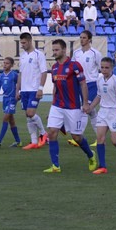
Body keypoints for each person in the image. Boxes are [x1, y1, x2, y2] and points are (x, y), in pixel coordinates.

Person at [40, 39, 97, 173]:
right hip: (57, 106)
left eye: (57, 50)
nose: (54, 52)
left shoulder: (75, 66)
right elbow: (55, 87)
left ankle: (91, 155)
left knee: (76, 137)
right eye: (53, 50)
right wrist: (52, 106)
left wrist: (85, 103)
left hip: (72, 106)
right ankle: (55, 166)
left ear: (64, 50)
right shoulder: (54, 68)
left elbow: (83, 84)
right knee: (52, 132)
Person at [16, 32, 48, 149]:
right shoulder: (22, 56)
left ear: (30, 41)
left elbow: (44, 72)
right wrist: (17, 90)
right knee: (27, 115)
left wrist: (41, 88)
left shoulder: (39, 55)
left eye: (24, 42)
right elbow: (20, 74)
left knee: (31, 113)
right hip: (24, 90)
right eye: (21, 43)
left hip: (34, 89)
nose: (22, 45)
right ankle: (34, 141)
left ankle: (44, 134)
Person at [71, 30, 103, 144]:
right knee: (91, 112)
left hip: (91, 84)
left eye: (84, 37)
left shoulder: (95, 53)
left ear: (89, 39)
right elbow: (72, 68)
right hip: (79, 84)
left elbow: (103, 68)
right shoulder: (76, 53)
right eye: (80, 37)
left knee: (84, 109)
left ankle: (78, 137)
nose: (81, 40)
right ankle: (100, 138)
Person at [0, 57, 22, 148]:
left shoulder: (14, 75)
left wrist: (19, 93)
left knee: (5, 118)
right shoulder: (1, 76)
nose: (4, 65)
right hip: (5, 99)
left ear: (11, 65)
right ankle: (18, 141)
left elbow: (20, 84)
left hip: (12, 99)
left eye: (7, 63)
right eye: (4, 63)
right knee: (11, 121)